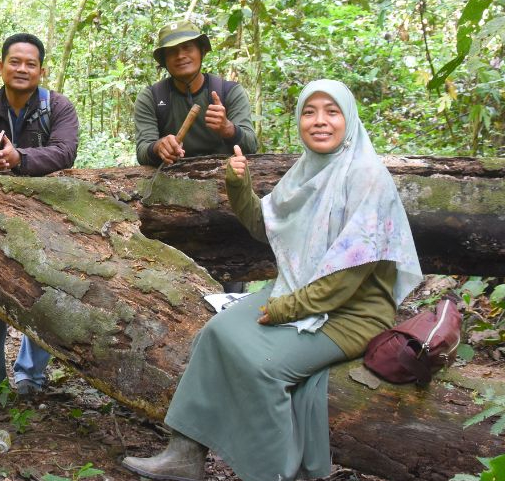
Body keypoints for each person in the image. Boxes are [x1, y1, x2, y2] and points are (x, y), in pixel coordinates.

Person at [122, 79, 423, 481]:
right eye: (309, 112)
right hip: (300, 292)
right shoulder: (306, 170)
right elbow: (266, 227)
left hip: (353, 314)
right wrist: (238, 184)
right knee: (214, 333)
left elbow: (350, 272)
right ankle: (185, 453)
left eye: (331, 112)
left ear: (348, 119)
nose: (319, 121)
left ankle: (273, 472)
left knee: (262, 366)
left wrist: (286, 308)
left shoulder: (366, 176)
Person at [0, 33, 79, 401]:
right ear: (1, 66)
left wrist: (19, 159)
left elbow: (64, 153)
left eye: (30, 63)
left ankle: (31, 377)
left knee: (42, 290)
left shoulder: (59, 107)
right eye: (15, 62)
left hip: (47, 215)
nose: (22, 69)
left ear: (41, 70)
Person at [133, 20, 258, 167]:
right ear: (164, 61)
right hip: (172, 180)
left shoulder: (229, 92)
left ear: (202, 51)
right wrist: (159, 147)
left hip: (224, 178)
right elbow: (142, 152)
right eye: (172, 51)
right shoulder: (151, 98)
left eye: (187, 48)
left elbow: (251, 147)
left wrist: (228, 128)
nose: (180, 56)